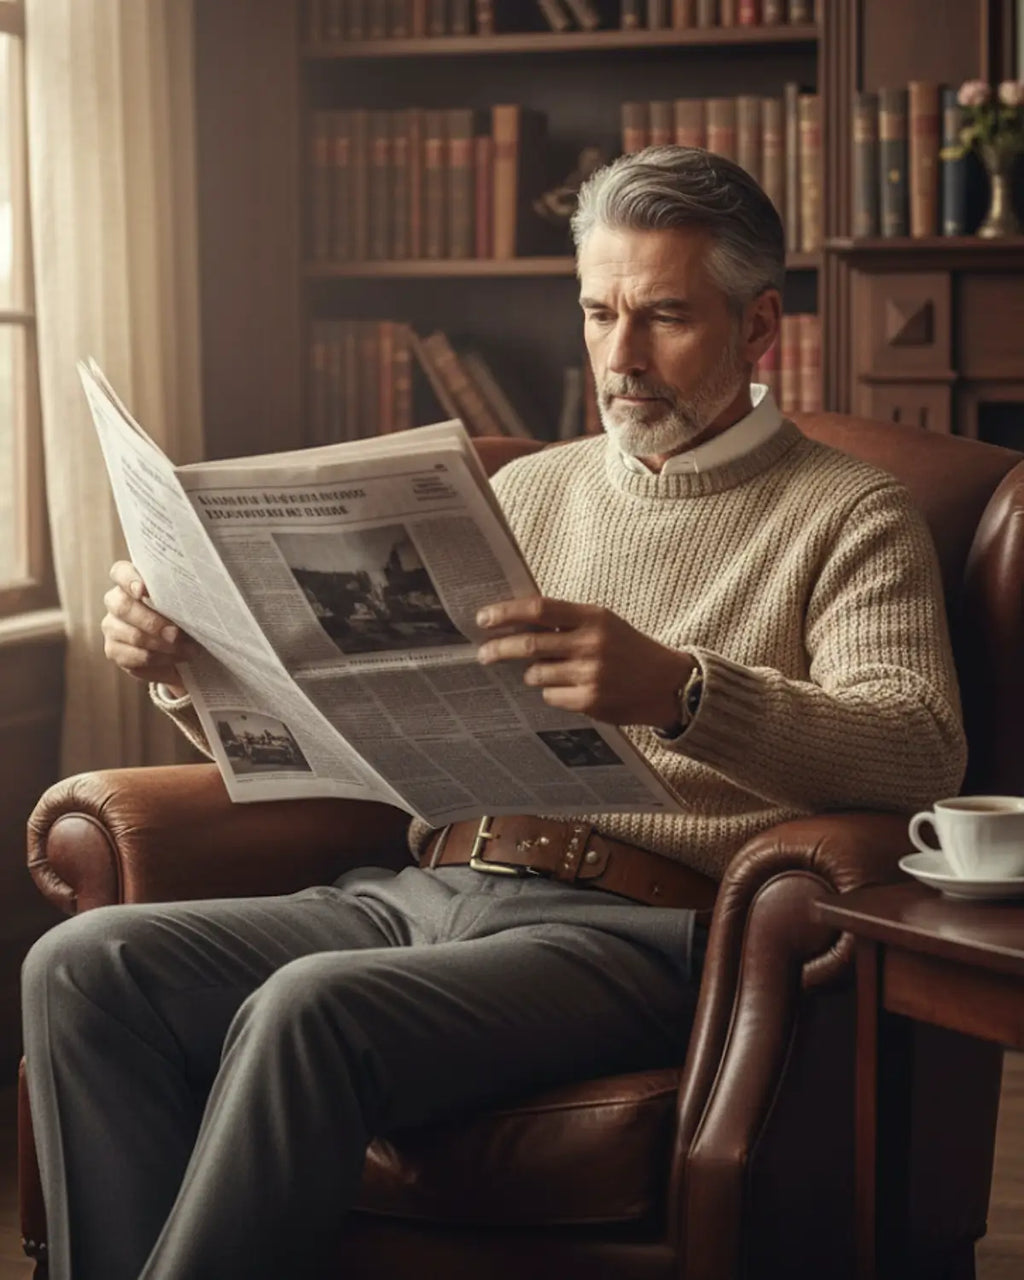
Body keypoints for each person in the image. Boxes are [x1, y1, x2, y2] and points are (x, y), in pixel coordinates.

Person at [22, 146, 966, 1280]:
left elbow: (917, 745)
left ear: (758, 323)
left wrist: (683, 692)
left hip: (633, 930)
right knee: (83, 966)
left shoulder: (850, 512)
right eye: (596, 312)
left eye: (663, 316)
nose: (620, 357)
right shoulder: (522, 492)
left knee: (306, 1011)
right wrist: (189, 669)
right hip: (422, 888)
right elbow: (359, 734)